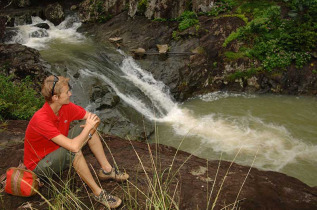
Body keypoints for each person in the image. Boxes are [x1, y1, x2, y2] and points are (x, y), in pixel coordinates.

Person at [23, 75, 129, 208]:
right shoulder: (41, 119)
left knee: (87, 127)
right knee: (74, 151)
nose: (70, 94)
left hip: (58, 148)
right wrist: (88, 130)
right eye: (67, 92)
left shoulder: (65, 107)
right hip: (40, 165)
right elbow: (74, 147)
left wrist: (89, 129)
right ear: (55, 98)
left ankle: (106, 170)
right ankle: (98, 193)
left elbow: (93, 119)